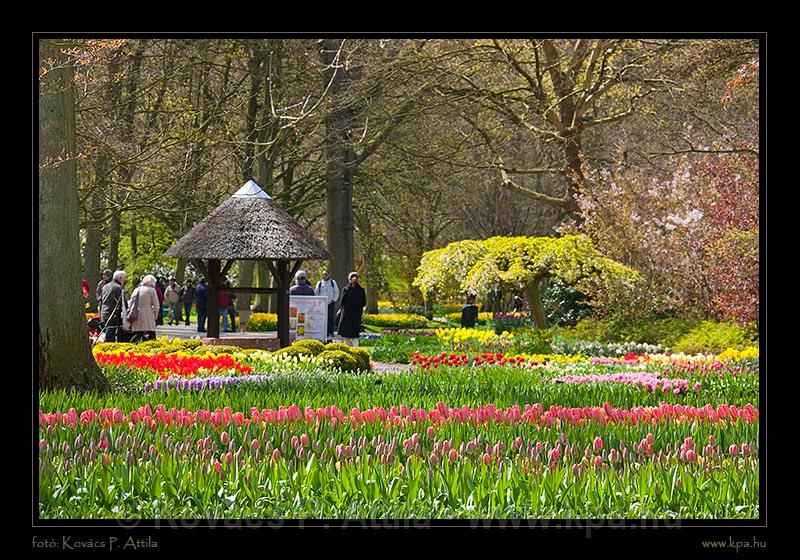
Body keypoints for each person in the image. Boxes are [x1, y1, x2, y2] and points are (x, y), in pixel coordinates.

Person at [128, 274, 160, 343]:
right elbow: (156, 306)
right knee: (151, 334)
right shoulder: (152, 290)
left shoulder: (136, 290)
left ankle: (131, 346)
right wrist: (155, 316)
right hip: (148, 314)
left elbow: (131, 303)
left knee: (138, 333)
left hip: (136, 314)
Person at [337, 272, 366, 347]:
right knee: (355, 334)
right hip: (357, 314)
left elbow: (342, 302)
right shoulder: (361, 290)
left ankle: (348, 348)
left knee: (346, 334)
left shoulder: (346, 289)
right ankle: (356, 348)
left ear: (349, 279)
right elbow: (364, 303)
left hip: (347, 314)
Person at [99, 270, 127, 342]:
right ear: (120, 278)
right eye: (124, 278)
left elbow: (101, 301)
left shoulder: (105, 287)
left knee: (108, 333)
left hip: (104, 313)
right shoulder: (119, 288)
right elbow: (123, 304)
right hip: (113, 315)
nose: (124, 280)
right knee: (111, 336)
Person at [315, 269, 340, 338]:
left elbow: (337, 292)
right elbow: (316, 293)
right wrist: (318, 301)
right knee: (322, 318)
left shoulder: (332, 282)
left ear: (328, 275)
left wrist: (334, 300)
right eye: (323, 274)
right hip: (322, 304)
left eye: (326, 274)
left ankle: (330, 332)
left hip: (330, 303)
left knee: (330, 318)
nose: (324, 276)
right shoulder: (319, 283)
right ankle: (323, 332)